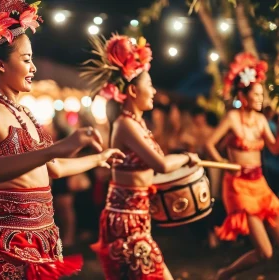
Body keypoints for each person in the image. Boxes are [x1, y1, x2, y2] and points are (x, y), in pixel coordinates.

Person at [0, 1, 125, 279]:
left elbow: (54, 168)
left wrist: (98, 158)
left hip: (43, 235)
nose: (33, 67)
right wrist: (54, 149)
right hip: (11, 241)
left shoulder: (24, 112)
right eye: (26, 60)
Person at [81, 34, 201, 280]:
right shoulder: (126, 125)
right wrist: (187, 157)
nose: (155, 91)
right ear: (133, 90)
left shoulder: (136, 124)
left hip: (135, 217)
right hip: (125, 222)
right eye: (150, 86)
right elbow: (162, 165)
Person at [204, 53, 279, 280]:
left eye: (261, 94)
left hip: (260, 185)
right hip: (238, 186)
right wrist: (224, 163)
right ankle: (225, 274)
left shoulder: (262, 120)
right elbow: (208, 144)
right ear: (242, 95)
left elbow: (274, 149)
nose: (260, 98)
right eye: (255, 94)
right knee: (265, 252)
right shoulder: (232, 118)